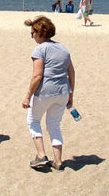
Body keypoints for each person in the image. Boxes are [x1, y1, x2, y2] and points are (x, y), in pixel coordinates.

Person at [22, 16, 75, 171]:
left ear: (39, 33)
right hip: (63, 91)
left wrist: (27, 96)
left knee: (33, 120)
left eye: (32, 33)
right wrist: (70, 93)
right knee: (54, 125)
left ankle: (41, 155)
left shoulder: (40, 49)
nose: (32, 36)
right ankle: (58, 161)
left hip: (45, 91)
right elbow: (71, 72)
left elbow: (37, 75)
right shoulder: (63, 48)